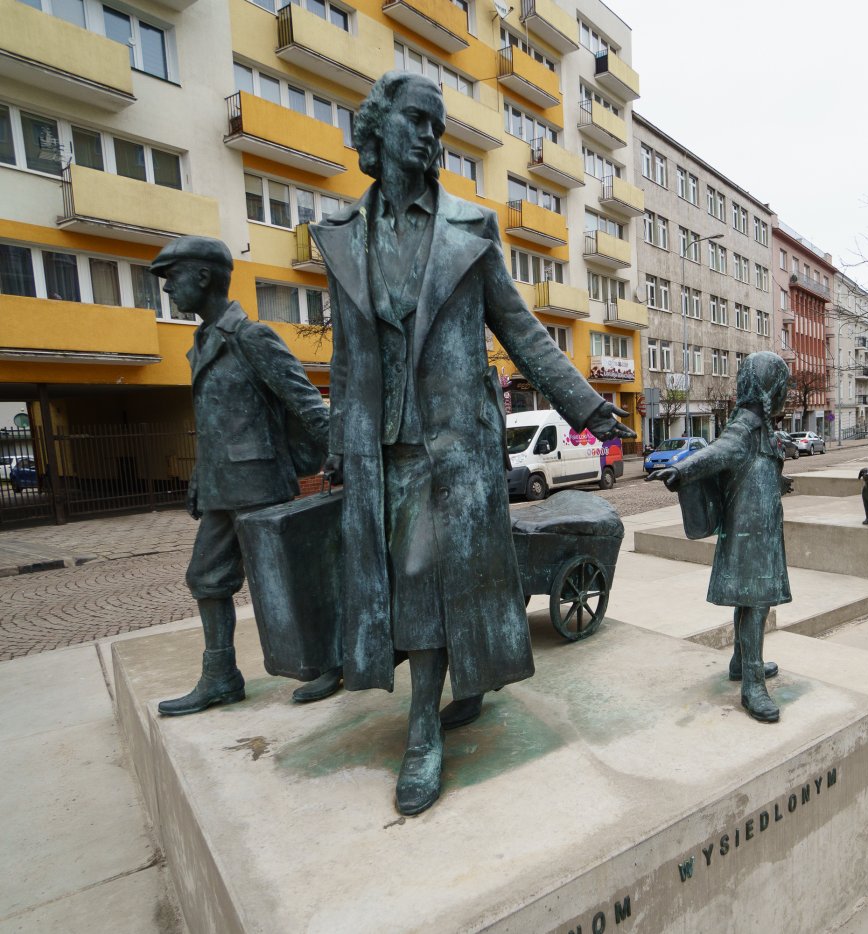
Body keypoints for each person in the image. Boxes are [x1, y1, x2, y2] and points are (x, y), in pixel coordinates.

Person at [313, 71, 633, 815]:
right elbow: (345, 360)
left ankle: (423, 726)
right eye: (418, 121)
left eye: (439, 126)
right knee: (393, 585)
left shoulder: (471, 229)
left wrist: (586, 405)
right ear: (380, 128)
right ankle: (459, 689)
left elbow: (521, 333)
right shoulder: (340, 237)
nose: (430, 136)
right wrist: (337, 444)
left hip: (452, 445)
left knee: (424, 581)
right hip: (379, 447)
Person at [152, 236, 332, 716]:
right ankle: (220, 676)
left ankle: (326, 662)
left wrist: (343, 454)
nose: (168, 289)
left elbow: (307, 404)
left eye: (173, 278)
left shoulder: (251, 337)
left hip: (261, 486)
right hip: (220, 489)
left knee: (285, 582)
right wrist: (197, 478)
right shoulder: (203, 341)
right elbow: (216, 424)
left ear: (204, 276)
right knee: (206, 579)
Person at [646, 351, 791, 723]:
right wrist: (680, 468)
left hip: (762, 529)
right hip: (748, 533)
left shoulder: (762, 427)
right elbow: (719, 453)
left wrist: (778, 482)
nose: (785, 394)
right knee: (756, 603)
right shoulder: (745, 425)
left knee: (755, 601)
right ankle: (753, 684)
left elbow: (751, 469)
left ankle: (742, 662)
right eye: (781, 387)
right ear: (766, 388)